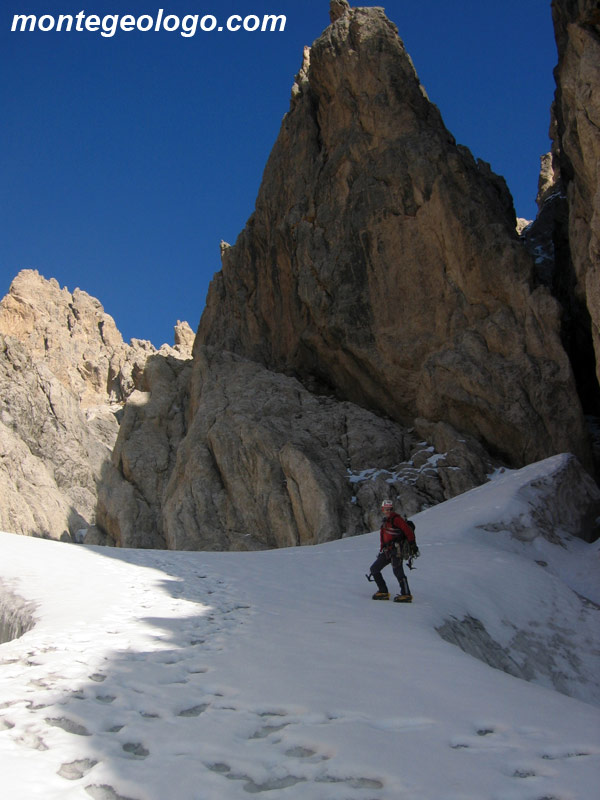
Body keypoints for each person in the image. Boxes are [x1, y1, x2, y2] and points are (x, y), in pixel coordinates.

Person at [368, 500, 415, 602]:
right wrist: (382, 549)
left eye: (389, 509)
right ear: (383, 509)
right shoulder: (387, 521)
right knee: (374, 569)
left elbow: (407, 531)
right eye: (386, 509)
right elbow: (384, 538)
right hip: (387, 551)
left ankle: (406, 594)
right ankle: (383, 591)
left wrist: (412, 544)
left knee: (398, 571)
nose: (388, 511)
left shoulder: (396, 519)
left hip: (396, 550)